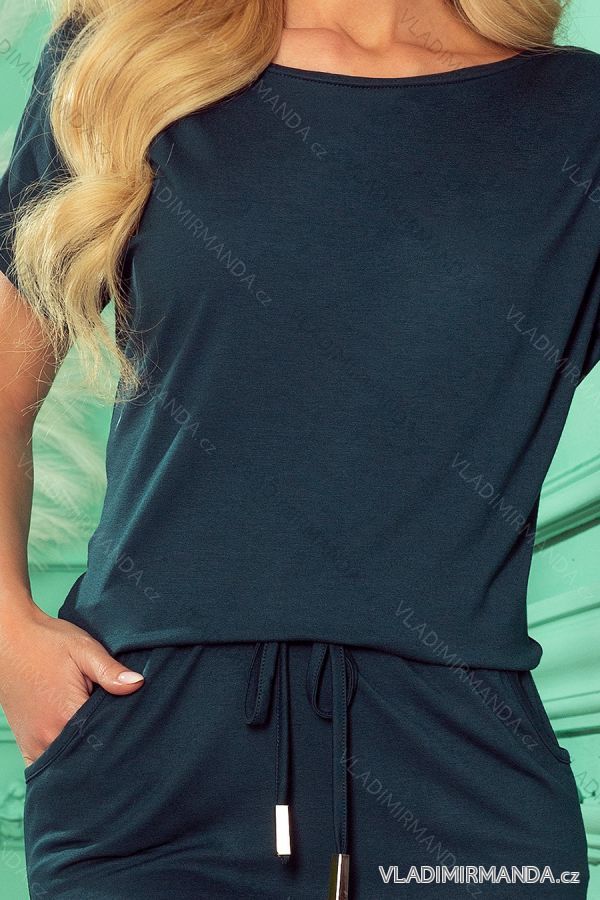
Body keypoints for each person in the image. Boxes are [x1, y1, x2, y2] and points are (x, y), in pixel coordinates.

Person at [0, 0, 596, 897]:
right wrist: (9, 635)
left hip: (466, 779)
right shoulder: (123, 60)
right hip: (148, 760)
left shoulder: (577, 116)